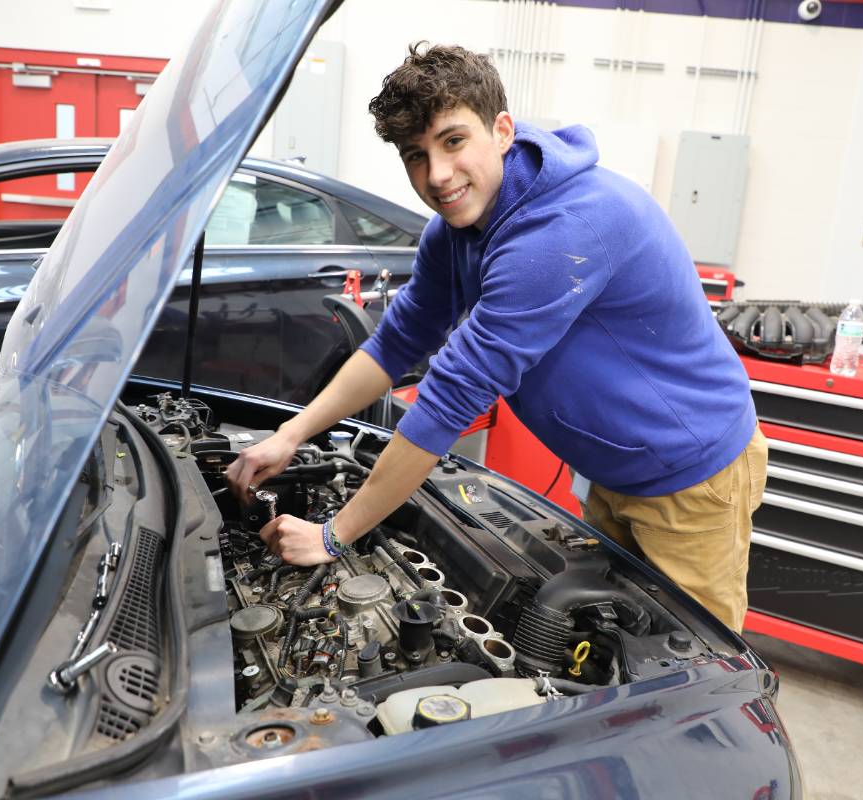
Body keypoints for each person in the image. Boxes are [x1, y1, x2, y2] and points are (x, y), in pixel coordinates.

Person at [226, 43, 767, 632]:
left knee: (691, 665)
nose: (436, 175)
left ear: (502, 130)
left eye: (454, 141)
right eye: (416, 155)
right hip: (616, 467)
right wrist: (292, 433)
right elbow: (395, 342)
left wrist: (334, 535)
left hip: (692, 478)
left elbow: (447, 400)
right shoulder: (455, 231)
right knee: (615, 639)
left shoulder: (559, 233)